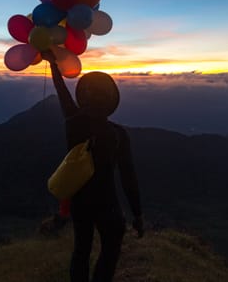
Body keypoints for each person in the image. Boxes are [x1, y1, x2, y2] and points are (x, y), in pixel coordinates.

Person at [43, 51, 144, 282]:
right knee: (110, 251)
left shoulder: (73, 123)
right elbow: (128, 177)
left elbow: (63, 95)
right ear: (110, 101)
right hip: (107, 203)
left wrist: (53, 65)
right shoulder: (118, 135)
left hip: (79, 201)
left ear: (84, 98)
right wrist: (137, 214)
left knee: (81, 250)